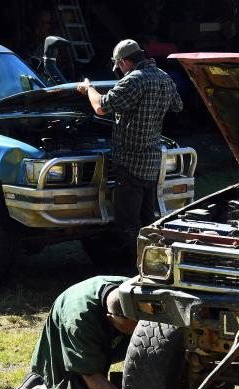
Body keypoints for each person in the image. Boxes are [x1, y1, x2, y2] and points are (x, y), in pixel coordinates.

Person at [77, 39, 183, 254]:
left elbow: (100, 107)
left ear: (125, 61)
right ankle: (155, 261)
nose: (120, 71)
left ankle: (133, 267)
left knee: (128, 222)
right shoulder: (164, 77)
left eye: (120, 66)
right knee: (148, 219)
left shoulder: (134, 80)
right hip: (152, 160)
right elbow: (177, 106)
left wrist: (89, 88)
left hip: (130, 161)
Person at [2, 276, 138, 389]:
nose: (138, 326)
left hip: (105, 322)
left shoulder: (134, 293)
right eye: (133, 325)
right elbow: (92, 377)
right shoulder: (79, 323)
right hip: (74, 318)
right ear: (111, 318)